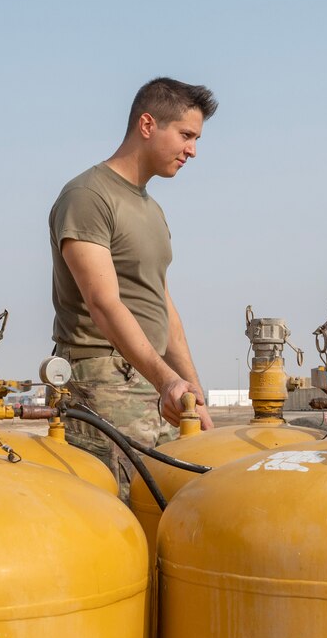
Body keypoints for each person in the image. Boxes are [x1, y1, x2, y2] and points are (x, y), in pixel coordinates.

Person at [49, 77, 217, 502]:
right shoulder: (88, 196)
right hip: (104, 380)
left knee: (165, 508)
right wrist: (164, 380)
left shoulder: (151, 209)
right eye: (186, 135)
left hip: (150, 380)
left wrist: (191, 389)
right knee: (117, 515)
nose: (193, 150)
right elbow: (103, 304)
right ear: (147, 125)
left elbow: (161, 302)